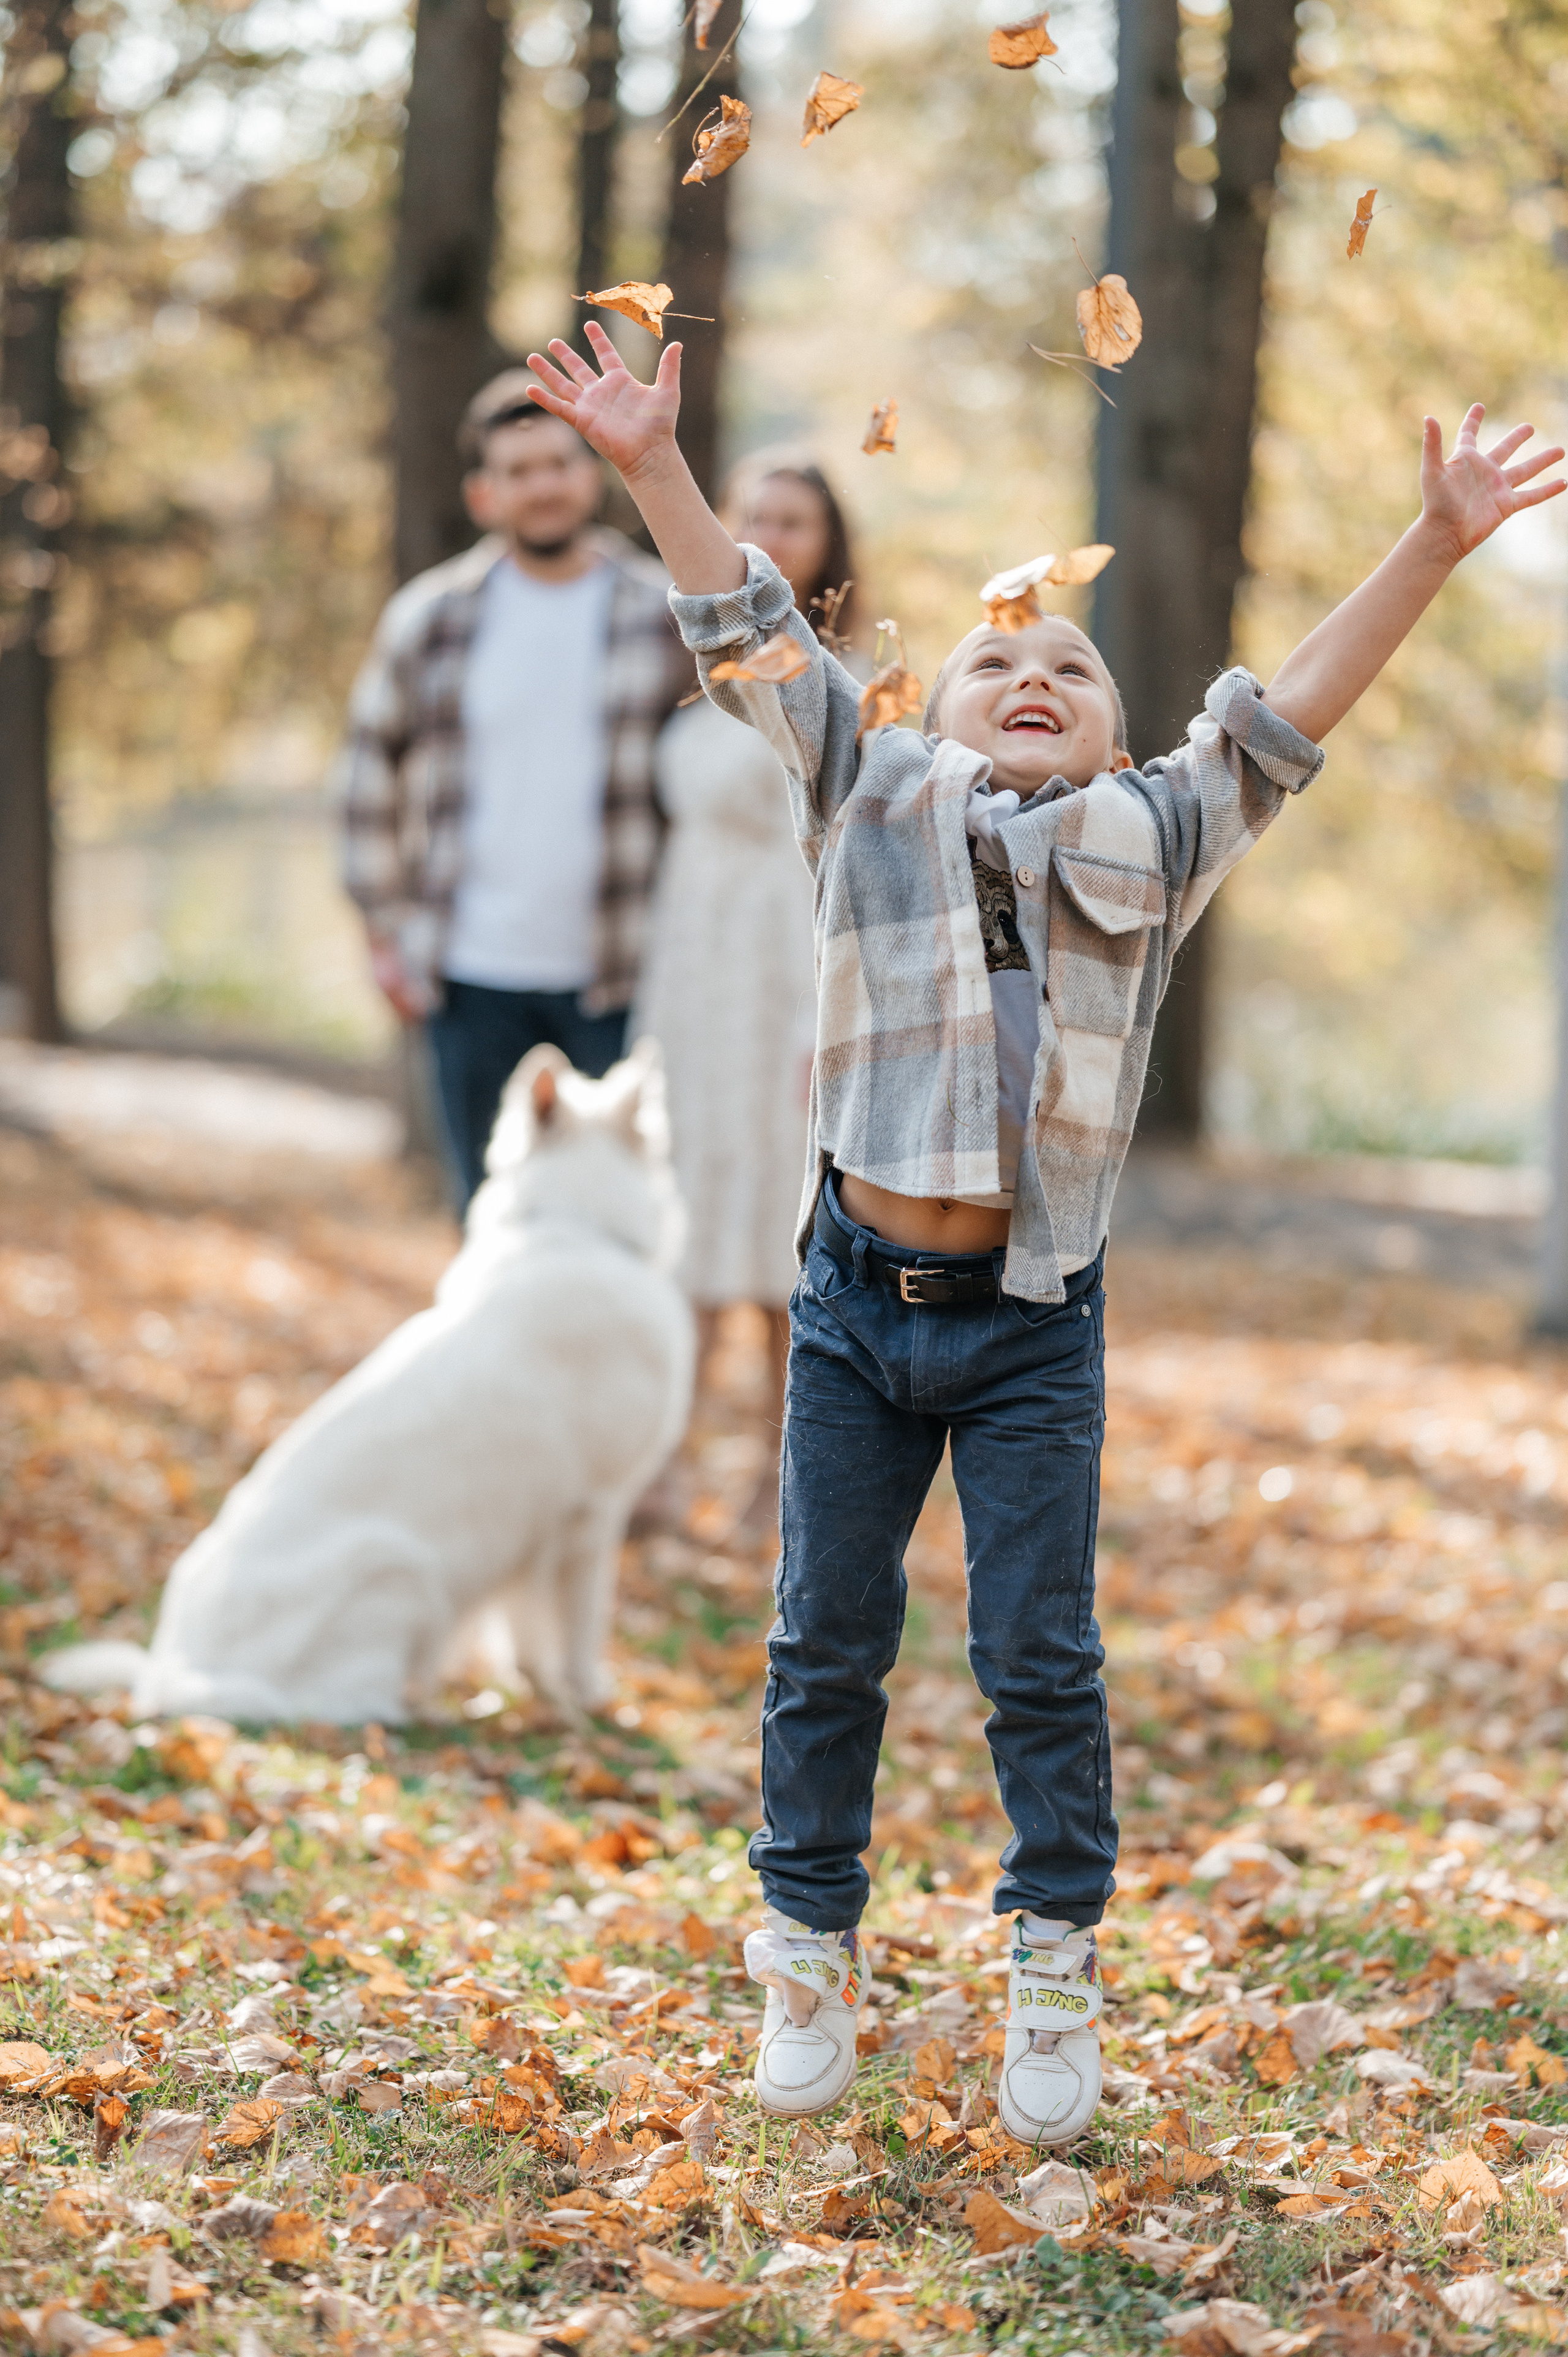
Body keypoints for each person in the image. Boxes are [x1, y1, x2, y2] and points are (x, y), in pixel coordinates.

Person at [525, 327, 1562, 2139]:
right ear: (929, 708)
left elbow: (1296, 706)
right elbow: (749, 632)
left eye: (1068, 667)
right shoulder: (869, 791)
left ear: (1117, 727)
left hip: (1030, 1320)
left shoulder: (1156, 831)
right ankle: (806, 1954)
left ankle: (1052, 1973)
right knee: (822, 1641)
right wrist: (650, 472)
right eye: (994, 659)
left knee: (1039, 1657)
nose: (1031, 676)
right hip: (853, 1302)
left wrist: (1434, 544)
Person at [336, 370, 690, 1207]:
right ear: (483, 493)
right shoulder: (432, 618)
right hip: (468, 973)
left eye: (561, 463)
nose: (543, 486)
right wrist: (384, 930)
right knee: (488, 1218)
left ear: (593, 471)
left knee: (616, 1219)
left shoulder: (662, 611)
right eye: (519, 471)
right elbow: (364, 774)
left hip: (624, 969)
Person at [635, 452, 853, 1540]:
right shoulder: (692, 661)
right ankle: (660, 1457)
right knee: (682, 1210)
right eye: (753, 513)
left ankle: (782, 1471)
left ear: (827, 540)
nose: (771, 530)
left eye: (794, 518)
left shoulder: (841, 679)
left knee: (781, 1223)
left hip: (788, 964)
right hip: (693, 965)